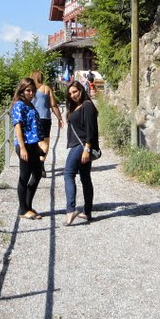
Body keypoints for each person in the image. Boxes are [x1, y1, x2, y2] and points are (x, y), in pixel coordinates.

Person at [63, 80, 98, 225]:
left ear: (81, 90)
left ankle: (71, 209)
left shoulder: (87, 106)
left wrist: (87, 149)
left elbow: (91, 129)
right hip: (80, 145)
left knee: (68, 173)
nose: (73, 95)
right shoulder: (77, 106)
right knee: (85, 177)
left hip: (82, 145)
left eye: (75, 92)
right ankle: (87, 212)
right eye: (70, 93)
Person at [11, 77, 44, 220]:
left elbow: (33, 127)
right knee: (24, 177)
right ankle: (22, 209)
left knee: (37, 174)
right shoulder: (19, 105)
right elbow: (18, 127)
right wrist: (22, 148)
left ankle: (28, 206)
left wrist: (37, 146)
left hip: (33, 145)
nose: (31, 93)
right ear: (22, 91)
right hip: (24, 145)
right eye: (28, 90)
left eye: (32, 90)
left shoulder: (30, 104)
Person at [29, 70, 63, 160]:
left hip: (31, 119)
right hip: (44, 118)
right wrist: (59, 118)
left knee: (34, 141)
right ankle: (41, 161)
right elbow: (53, 105)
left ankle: (35, 162)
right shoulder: (46, 88)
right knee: (45, 142)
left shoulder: (29, 90)